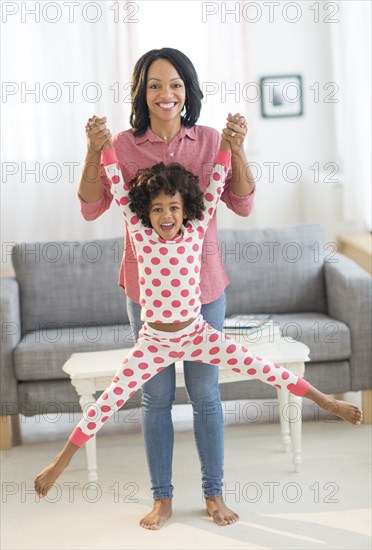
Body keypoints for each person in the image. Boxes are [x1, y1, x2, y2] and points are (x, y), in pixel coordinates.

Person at [34, 133, 363, 526]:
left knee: (264, 368)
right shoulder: (138, 232)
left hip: (197, 332)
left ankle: (327, 402)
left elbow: (219, 178)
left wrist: (231, 141)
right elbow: (117, 187)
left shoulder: (196, 227)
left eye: (173, 207)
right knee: (107, 402)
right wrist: (101, 144)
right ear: (145, 213)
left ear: (186, 209)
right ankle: (61, 461)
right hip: (153, 341)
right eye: (157, 209)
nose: (166, 215)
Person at [76, 47, 257, 529]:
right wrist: (93, 150)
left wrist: (238, 150)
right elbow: (91, 206)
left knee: (206, 394)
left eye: (175, 84)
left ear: (188, 90)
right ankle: (162, 498)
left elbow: (242, 203)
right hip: (147, 294)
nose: (166, 94)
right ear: (141, 92)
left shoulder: (212, 140)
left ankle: (214, 494)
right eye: (155, 84)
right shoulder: (123, 144)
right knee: (155, 397)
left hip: (207, 289)